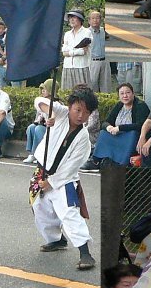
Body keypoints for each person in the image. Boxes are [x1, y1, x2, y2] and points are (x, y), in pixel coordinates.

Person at [32, 86, 100, 271]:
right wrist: (49, 114)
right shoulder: (60, 114)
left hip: (64, 180)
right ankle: (56, 240)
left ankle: (85, 253)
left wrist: (51, 183)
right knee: (39, 208)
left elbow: (71, 168)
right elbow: (40, 101)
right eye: (78, 110)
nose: (80, 116)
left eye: (86, 113)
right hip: (41, 171)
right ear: (70, 107)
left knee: (70, 213)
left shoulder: (84, 139)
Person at [92, 82, 150, 167]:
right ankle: (96, 160)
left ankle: (122, 163)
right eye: (122, 93)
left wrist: (120, 128)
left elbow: (140, 125)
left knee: (133, 133)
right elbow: (105, 122)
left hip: (132, 137)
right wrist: (109, 127)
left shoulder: (140, 105)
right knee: (103, 133)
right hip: (118, 135)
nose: (125, 96)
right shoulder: (119, 105)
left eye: (128, 93)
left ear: (133, 94)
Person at [24, 79, 58, 164]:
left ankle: (40, 154)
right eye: (42, 89)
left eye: (45, 89)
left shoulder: (57, 103)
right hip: (44, 126)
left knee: (38, 129)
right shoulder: (41, 102)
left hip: (53, 130)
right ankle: (32, 154)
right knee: (31, 127)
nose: (42, 91)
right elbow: (37, 119)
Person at [61, 10, 92, 90]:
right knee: (67, 92)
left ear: (80, 19)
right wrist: (76, 51)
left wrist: (70, 52)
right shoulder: (67, 34)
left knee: (82, 92)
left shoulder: (87, 32)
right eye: (70, 17)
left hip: (81, 67)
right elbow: (64, 52)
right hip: (67, 67)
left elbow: (84, 51)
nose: (71, 20)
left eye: (74, 17)